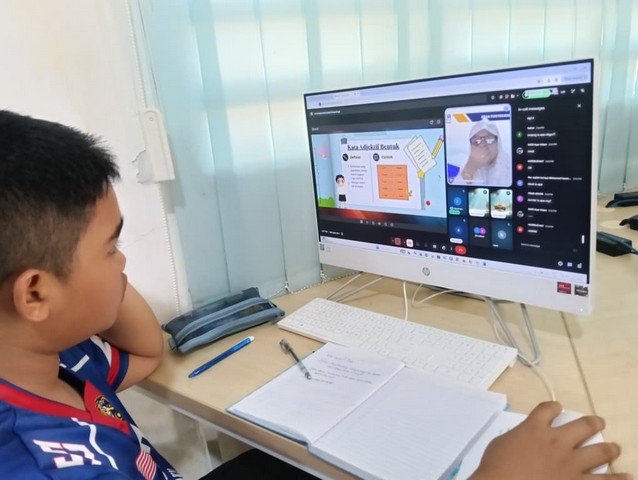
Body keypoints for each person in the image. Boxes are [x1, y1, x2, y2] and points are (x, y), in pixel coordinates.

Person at [0, 110, 631, 480]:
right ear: (34, 292)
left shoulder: (58, 357)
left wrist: (96, 271)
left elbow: (143, 354)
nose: (125, 263)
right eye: (112, 247)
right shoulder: (39, 464)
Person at [452, 121, 512, 186]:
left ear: (498, 143)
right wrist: (470, 167)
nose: (483, 145)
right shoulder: (464, 165)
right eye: (476, 141)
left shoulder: (510, 168)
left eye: (489, 139)